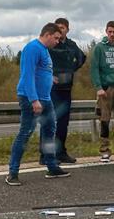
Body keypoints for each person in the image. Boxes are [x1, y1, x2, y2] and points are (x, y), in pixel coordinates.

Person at [6, 23, 70, 184]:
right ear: (47, 34)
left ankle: (51, 165)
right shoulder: (33, 48)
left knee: (49, 132)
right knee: (25, 133)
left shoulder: (45, 51)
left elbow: (42, 71)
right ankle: (12, 172)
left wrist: (50, 79)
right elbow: (27, 75)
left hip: (46, 98)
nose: (57, 41)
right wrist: (34, 99)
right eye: (56, 38)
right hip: (31, 99)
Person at [43, 17, 86, 164]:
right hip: (51, 89)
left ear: (67, 29)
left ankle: (61, 152)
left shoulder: (71, 45)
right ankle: (45, 155)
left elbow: (82, 58)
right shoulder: (50, 45)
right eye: (58, 27)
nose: (60, 30)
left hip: (66, 88)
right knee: (49, 122)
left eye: (63, 28)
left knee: (63, 122)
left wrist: (72, 70)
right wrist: (49, 74)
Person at [90, 20, 114, 162]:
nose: (112, 34)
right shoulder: (100, 48)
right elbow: (94, 68)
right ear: (106, 31)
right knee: (104, 120)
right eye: (110, 31)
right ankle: (105, 150)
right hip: (106, 89)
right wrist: (98, 87)